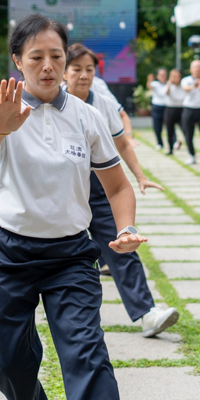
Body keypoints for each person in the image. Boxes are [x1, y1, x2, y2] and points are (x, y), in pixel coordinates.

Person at [0, 14, 146, 400]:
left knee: (86, 356)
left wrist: (127, 227)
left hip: (69, 256)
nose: (47, 66)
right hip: (5, 253)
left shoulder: (87, 116)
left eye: (56, 56)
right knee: (10, 367)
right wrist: (0, 127)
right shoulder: (1, 107)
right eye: (36, 57)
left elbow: (117, 186)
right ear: (18, 60)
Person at [65, 43, 178, 338]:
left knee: (123, 243)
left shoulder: (101, 103)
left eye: (89, 70)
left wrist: (139, 176)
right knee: (62, 256)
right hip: (62, 192)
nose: (83, 75)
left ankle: (147, 313)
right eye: (76, 69)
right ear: (64, 72)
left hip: (101, 187)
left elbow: (121, 142)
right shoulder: (53, 102)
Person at [163, 69, 185, 154]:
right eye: (174, 76)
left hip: (181, 109)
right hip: (170, 110)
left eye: (178, 76)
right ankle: (170, 148)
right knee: (169, 130)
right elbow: (166, 92)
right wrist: (169, 82)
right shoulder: (168, 86)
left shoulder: (183, 86)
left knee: (185, 129)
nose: (176, 78)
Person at [148, 67, 168, 150]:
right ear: (158, 76)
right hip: (157, 107)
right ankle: (159, 143)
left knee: (169, 125)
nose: (163, 76)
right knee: (157, 126)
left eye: (164, 75)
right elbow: (149, 86)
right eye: (161, 75)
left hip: (167, 107)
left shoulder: (169, 83)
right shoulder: (155, 84)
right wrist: (149, 80)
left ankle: (173, 142)